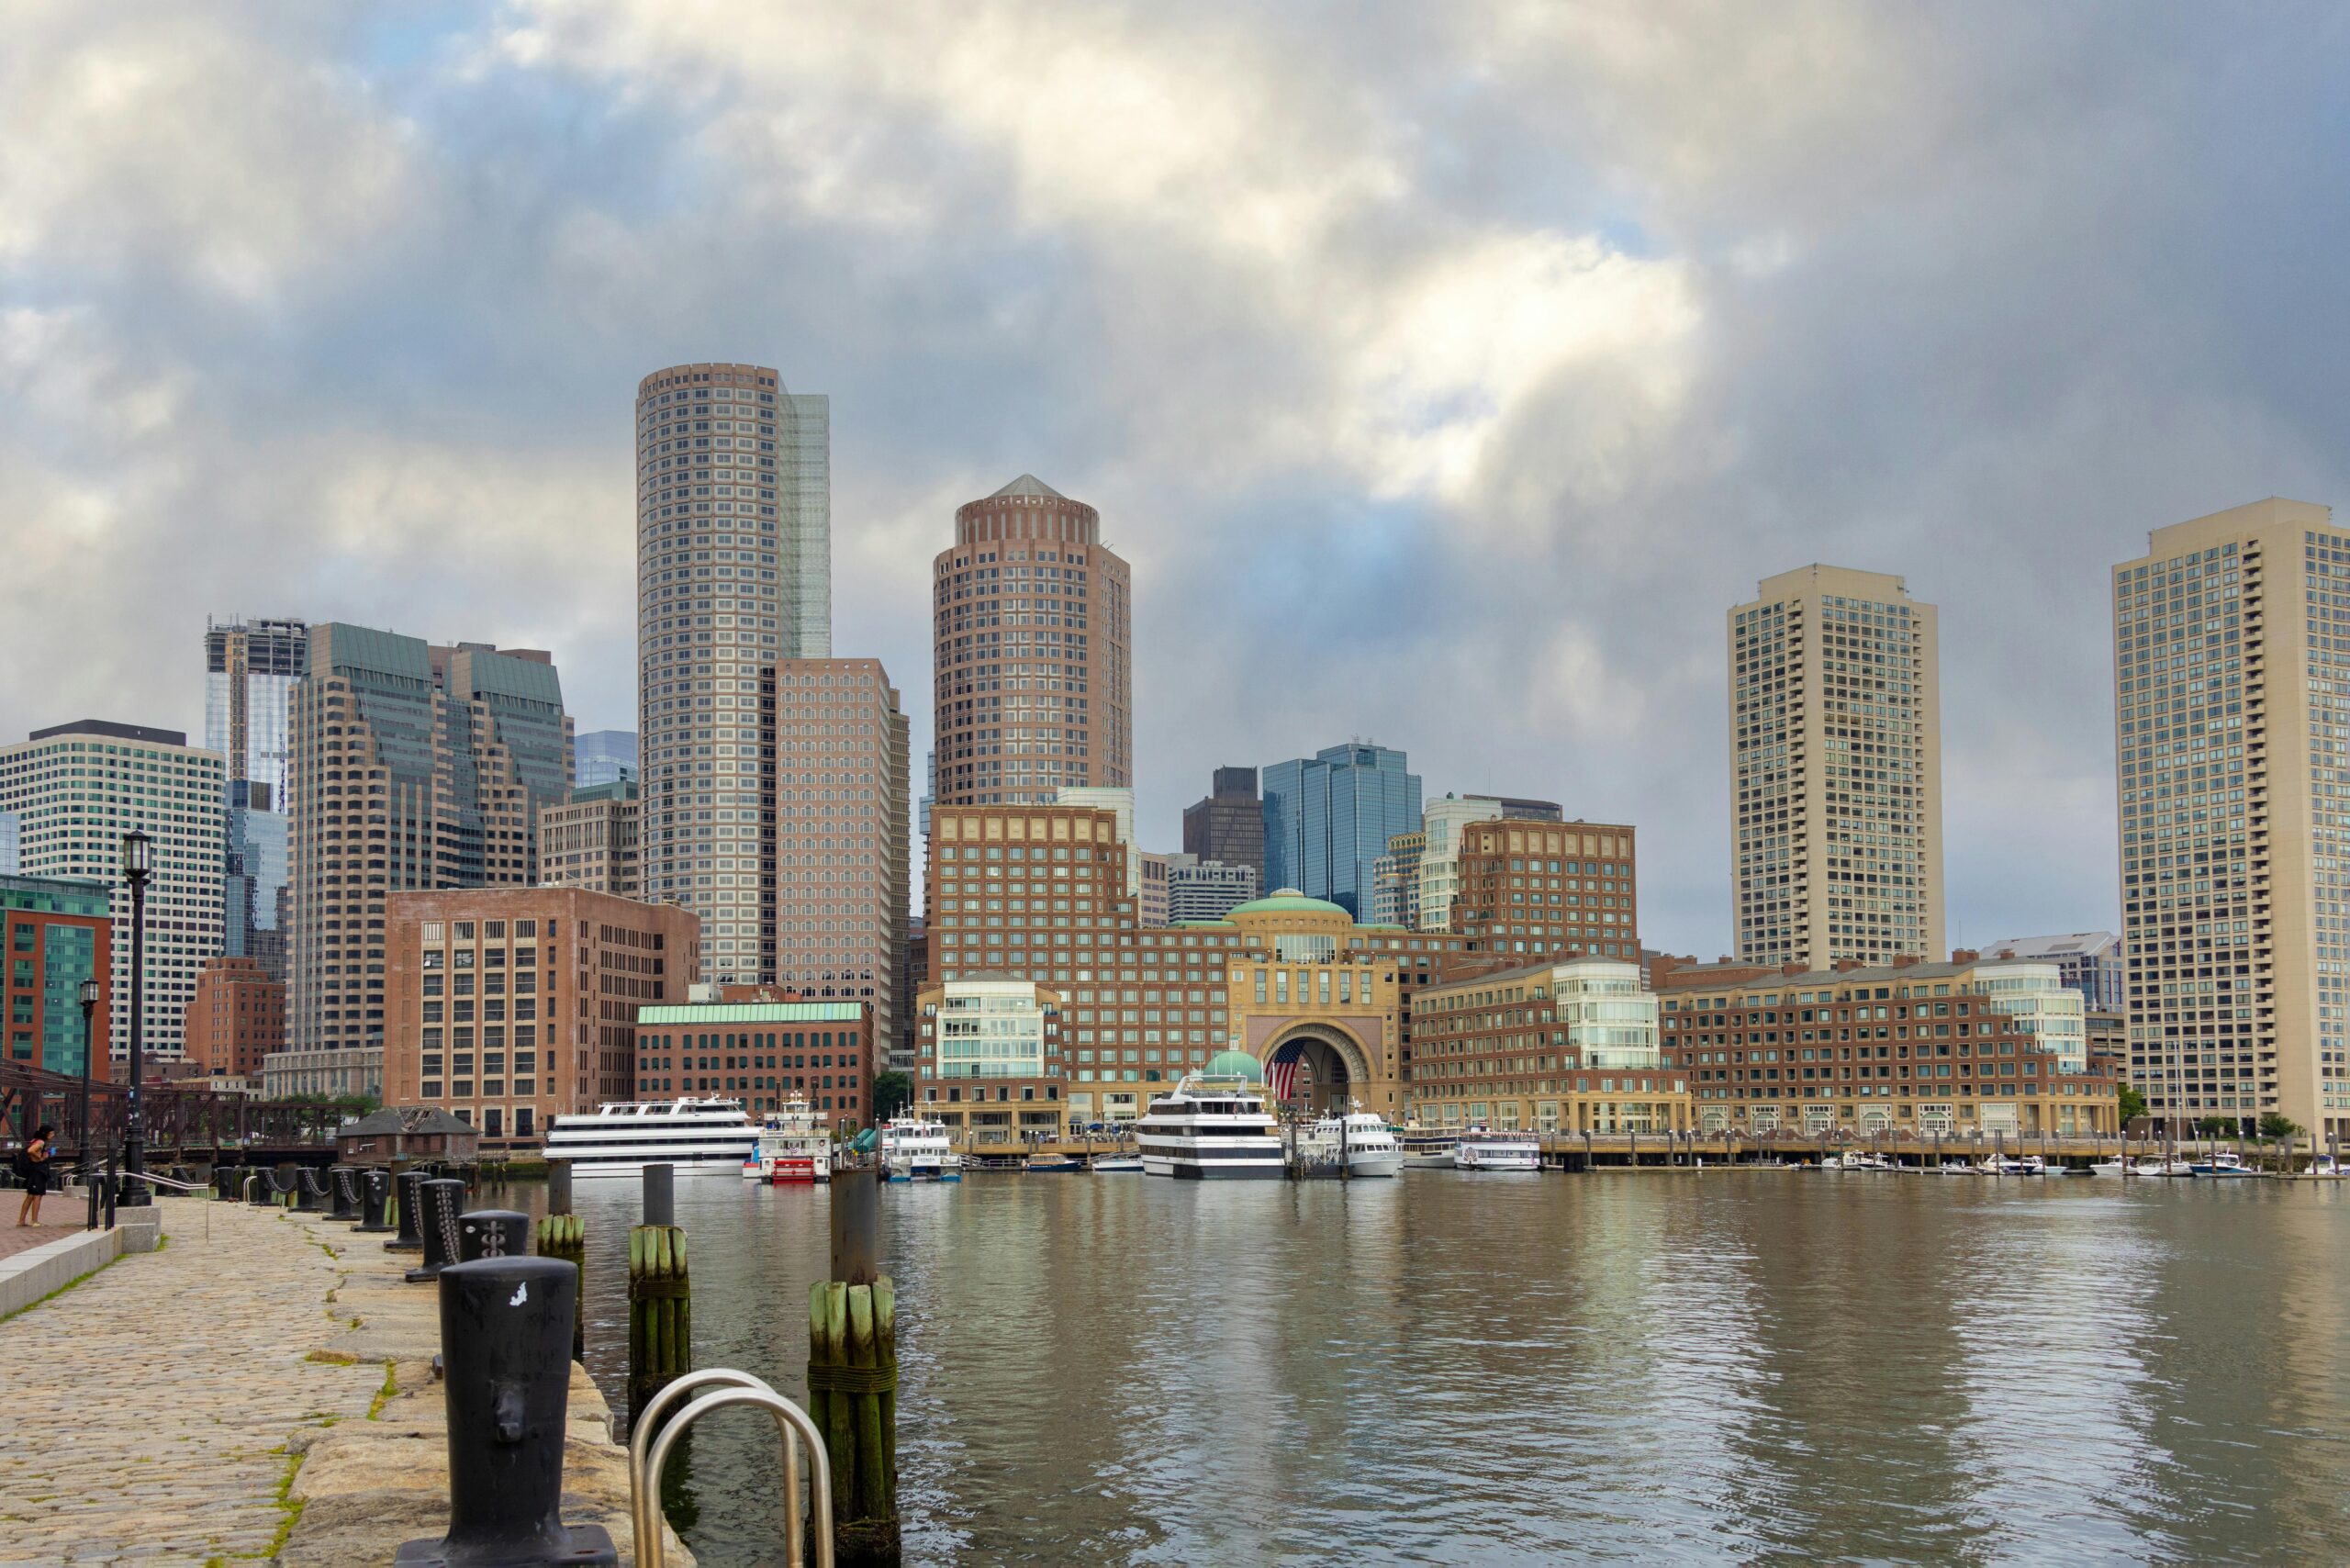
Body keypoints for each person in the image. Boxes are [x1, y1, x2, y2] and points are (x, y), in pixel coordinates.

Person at [14, 1124, 55, 1227]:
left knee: (30, 1196)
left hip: (33, 1171)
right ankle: (34, 1221)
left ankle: (21, 1220)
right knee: (37, 1196)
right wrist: (41, 1157)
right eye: (51, 1133)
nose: (53, 1135)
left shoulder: (35, 1140)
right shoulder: (40, 1142)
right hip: (38, 1171)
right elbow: (30, 1150)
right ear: (45, 1133)